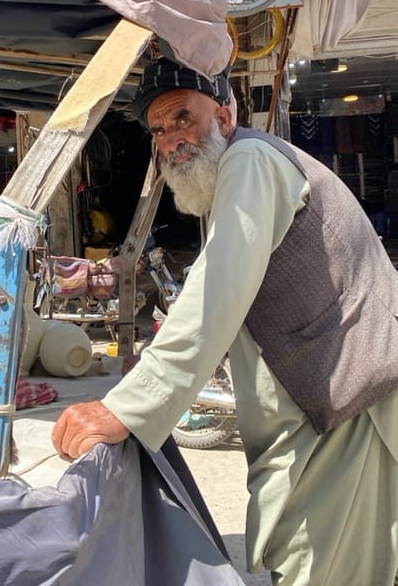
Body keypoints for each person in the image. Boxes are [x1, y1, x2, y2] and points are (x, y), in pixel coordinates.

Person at [52, 55, 398, 586]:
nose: (172, 139)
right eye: (160, 129)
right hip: (324, 408)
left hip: (348, 408)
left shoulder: (251, 161)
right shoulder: (231, 179)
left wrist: (126, 406)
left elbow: (218, 291)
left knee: (319, 567)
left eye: (184, 118)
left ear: (225, 115)